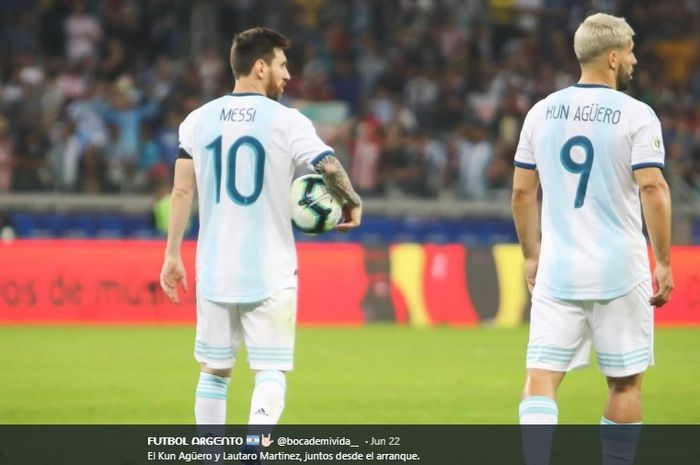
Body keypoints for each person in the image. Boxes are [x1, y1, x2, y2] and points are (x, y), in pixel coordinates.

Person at [159, 27, 362, 432]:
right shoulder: (287, 121)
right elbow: (327, 165)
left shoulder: (195, 121)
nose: (288, 75)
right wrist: (352, 201)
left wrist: (171, 254)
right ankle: (255, 446)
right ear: (259, 67)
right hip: (270, 269)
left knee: (214, 372)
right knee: (270, 371)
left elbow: (182, 190)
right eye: (282, 66)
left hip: (214, 268)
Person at [511, 13, 673, 465]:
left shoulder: (540, 112)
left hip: (558, 269)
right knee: (624, 383)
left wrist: (530, 255)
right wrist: (662, 259)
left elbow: (523, 192)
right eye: (632, 52)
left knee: (541, 376)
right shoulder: (637, 115)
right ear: (614, 56)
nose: (635, 60)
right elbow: (653, 188)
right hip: (620, 268)